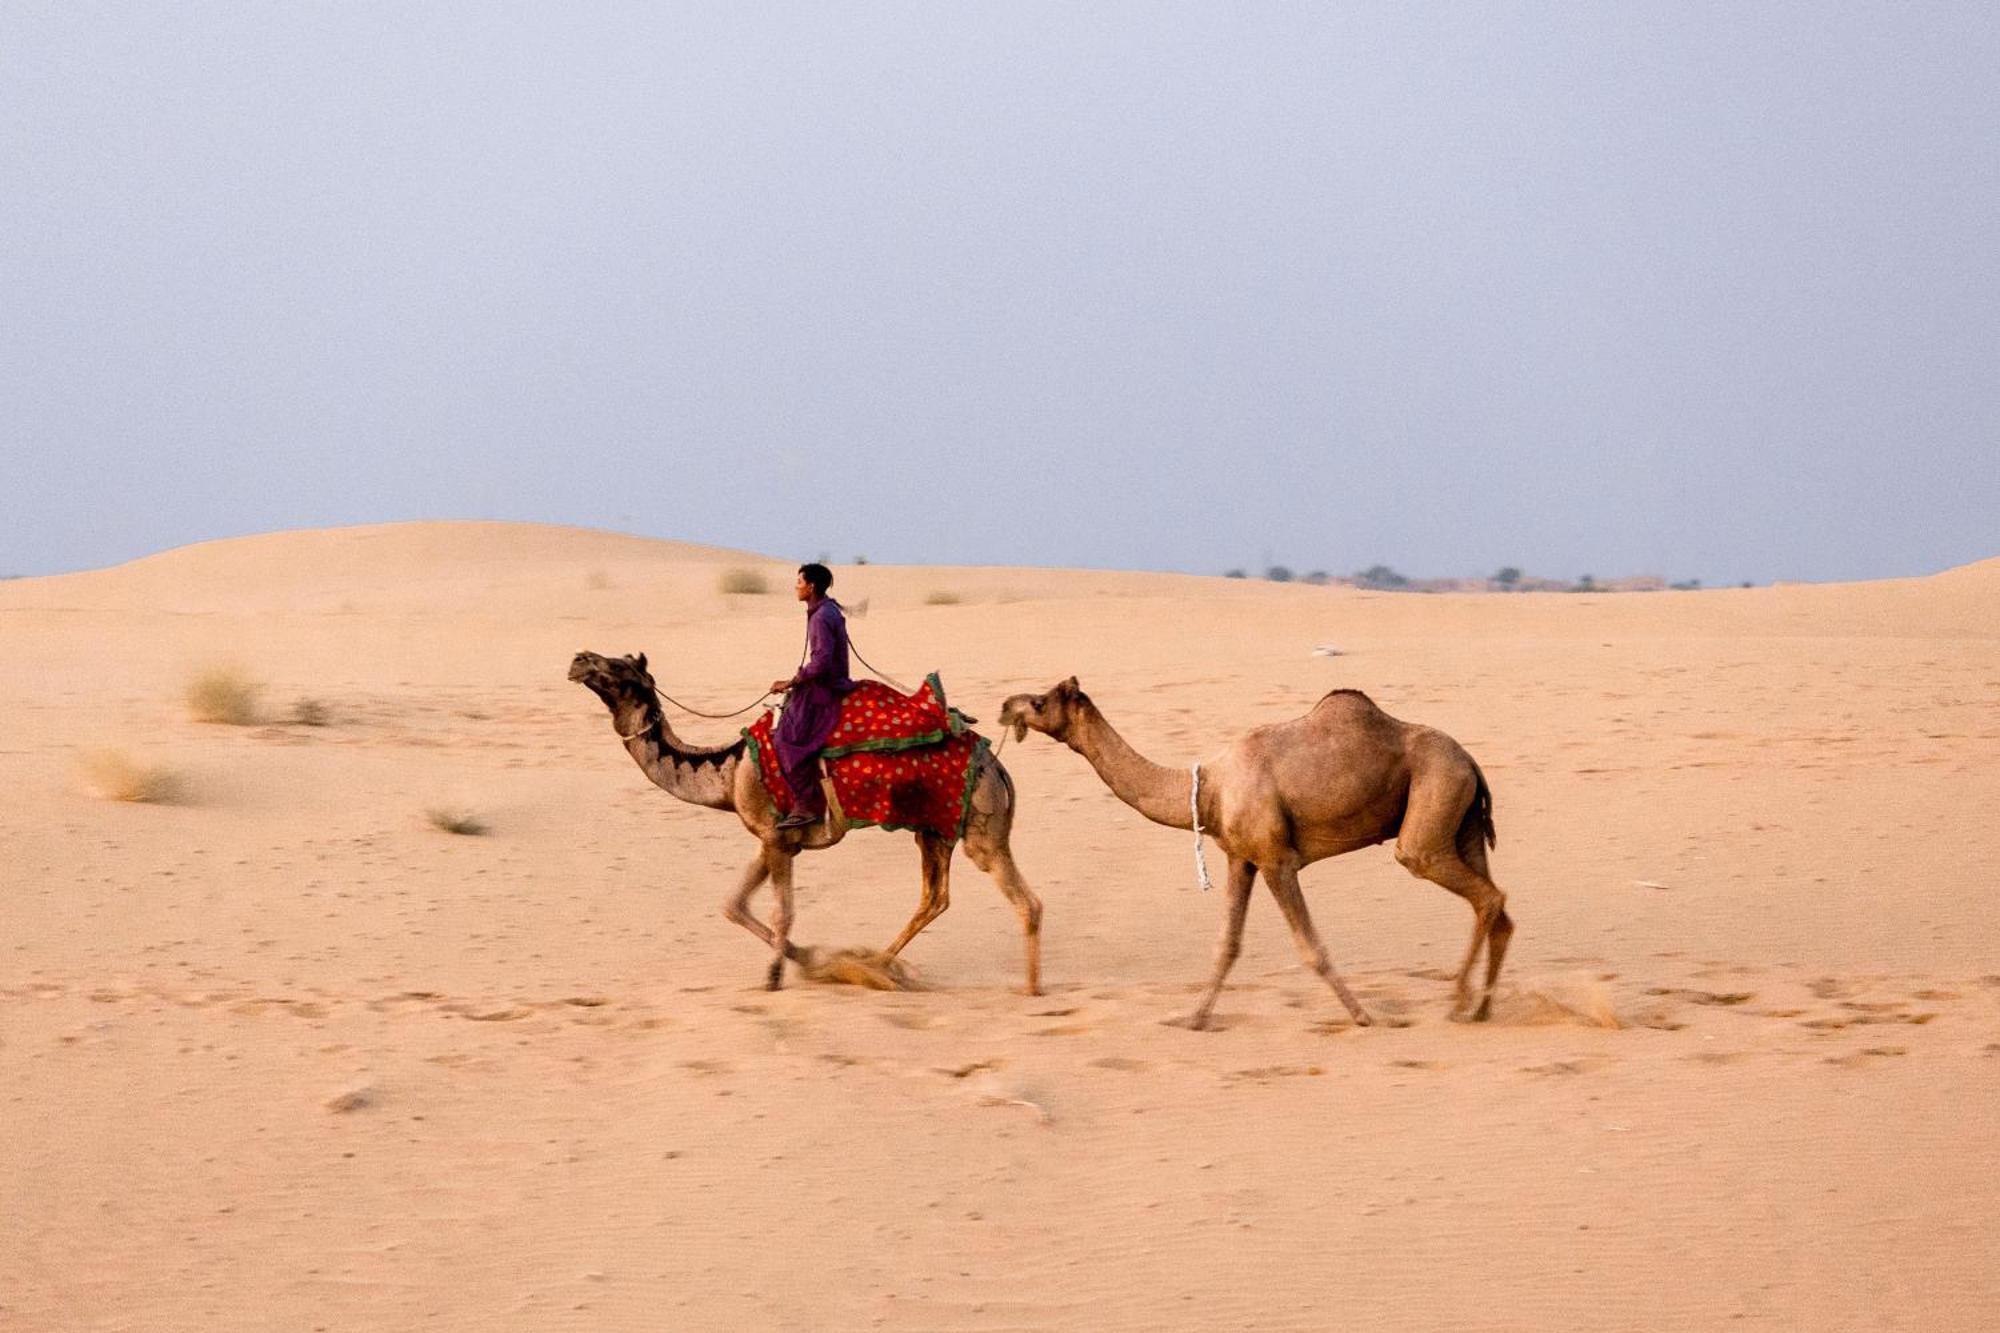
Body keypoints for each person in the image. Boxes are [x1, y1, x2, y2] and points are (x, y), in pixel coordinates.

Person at [768, 562, 855, 828]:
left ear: (811, 586)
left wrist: (791, 681)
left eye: (799, 582)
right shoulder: (826, 609)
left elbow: (821, 663)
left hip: (824, 690)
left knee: (785, 741)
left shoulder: (820, 617)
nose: (796, 587)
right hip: (828, 682)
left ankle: (806, 804)